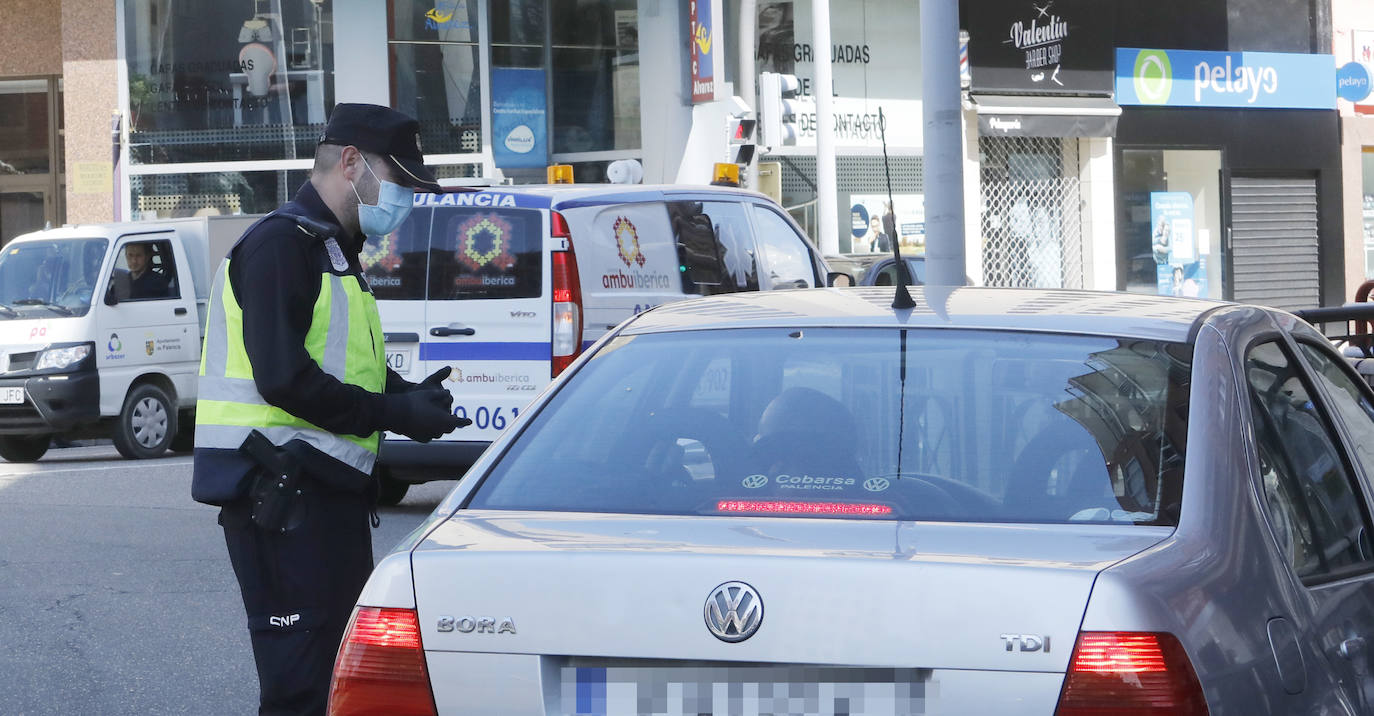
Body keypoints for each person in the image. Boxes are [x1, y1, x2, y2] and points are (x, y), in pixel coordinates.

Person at [191, 103, 467, 716]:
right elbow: (284, 379)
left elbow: (340, 367)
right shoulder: (280, 247)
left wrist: (407, 397)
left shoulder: (330, 250)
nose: (406, 200)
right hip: (281, 497)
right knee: (302, 691)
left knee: (333, 688)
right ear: (350, 164)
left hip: (320, 497)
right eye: (399, 183)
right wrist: (395, 416)